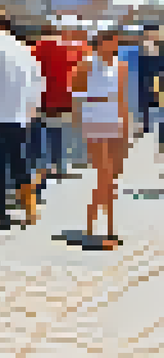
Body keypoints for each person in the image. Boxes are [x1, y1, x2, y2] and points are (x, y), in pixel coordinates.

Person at [0, 8, 44, 230]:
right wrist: (31, 111)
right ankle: (30, 208)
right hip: (19, 113)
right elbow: (37, 82)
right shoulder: (23, 49)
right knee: (19, 161)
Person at [74, 27, 130, 249]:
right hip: (94, 118)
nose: (116, 46)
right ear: (101, 42)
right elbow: (76, 96)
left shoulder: (121, 67)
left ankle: (90, 223)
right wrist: (79, 123)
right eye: (112, 41)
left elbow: (123, 99)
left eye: (117, 42)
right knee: (104, 173)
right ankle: (109, 229)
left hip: (113, 119)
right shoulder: (87, 64)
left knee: (111, 177)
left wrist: (126, 128)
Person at [31, 18, 87, 182]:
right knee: (62, 133)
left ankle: (46, 166)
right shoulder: (71, 49)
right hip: (67, 99)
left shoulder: (34, 50)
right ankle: (61, 165)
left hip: (43, 99)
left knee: (43, 133)